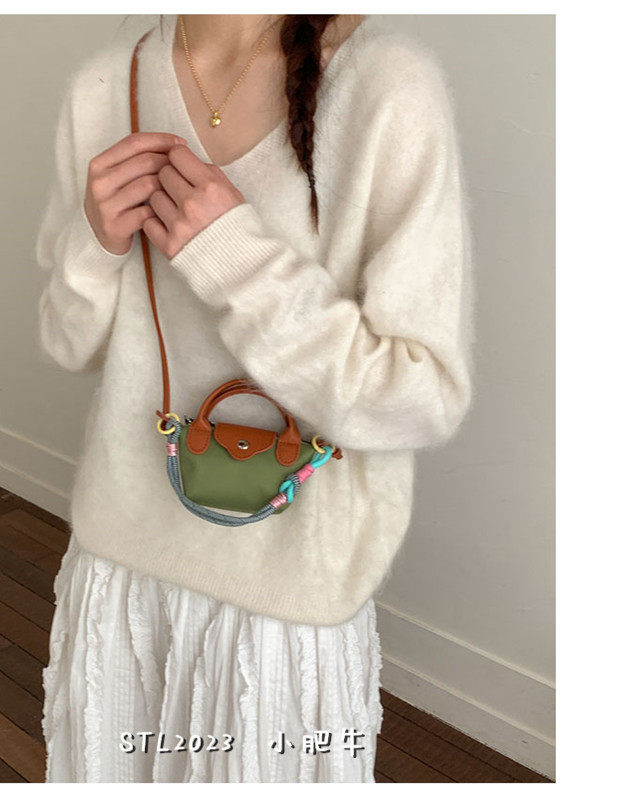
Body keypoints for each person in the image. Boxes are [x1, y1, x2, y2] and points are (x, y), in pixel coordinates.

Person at [34, 13, 474, 783]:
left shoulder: (383, 86)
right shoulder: (105, 88)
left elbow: (419, 395)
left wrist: (234, 257)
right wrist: (92, 244)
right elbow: (70, 344)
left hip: (286, 598)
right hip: (121, 564)